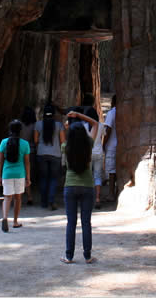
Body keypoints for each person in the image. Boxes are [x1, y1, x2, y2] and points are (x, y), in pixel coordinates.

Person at [61, 110, 99, 264]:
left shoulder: (66, 146)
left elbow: (64, 129)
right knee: (86, 222)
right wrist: (79, 115)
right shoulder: (89, 144)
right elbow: (95, 124)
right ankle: (87, 255)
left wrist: (68, 121)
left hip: (70, 186)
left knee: (71, 222)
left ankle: (69, 256)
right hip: (87, 186)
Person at [0, 119, 31, 231]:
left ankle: (5, 217)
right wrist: (28, 178)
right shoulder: (25, 144)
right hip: (20, 173)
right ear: (20, 130)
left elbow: (1, 160)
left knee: (7, 198)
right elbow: (27, 162)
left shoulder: (4, 142)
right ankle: (15, 221)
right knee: (18, 198)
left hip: (7, 173)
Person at [34, 103, 65, 210]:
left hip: (41, 154)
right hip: (56, 154)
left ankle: (43, 202)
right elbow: (62, 141)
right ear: (54, 114)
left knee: (43, 178)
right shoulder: (59, 125)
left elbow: (36, 140)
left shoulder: (38, 125)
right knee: (53, 179)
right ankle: (51, 200)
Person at [83, 103, 106, 209]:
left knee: (87, 176)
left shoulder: (83, 126)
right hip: (98, 152)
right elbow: (103, 136)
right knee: (97, 176)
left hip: (87, 152)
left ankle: (87, 198)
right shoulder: (101, 125)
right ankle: (97, 198)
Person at [19, 106, 37, 205]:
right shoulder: (35, 126)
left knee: (21, 173)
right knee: (28, 174)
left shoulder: (20, 125)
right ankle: (29, 196)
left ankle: (20, 195)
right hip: (31, 150)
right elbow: (35, 139)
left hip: (20, 150)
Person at [102, 95, 118, 202]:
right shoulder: (123, 111)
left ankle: (111, 194)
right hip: (121, 144)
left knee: (112, 171)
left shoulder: (112, 113)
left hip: (112, 145)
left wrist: (103, 143)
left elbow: (108, 130)